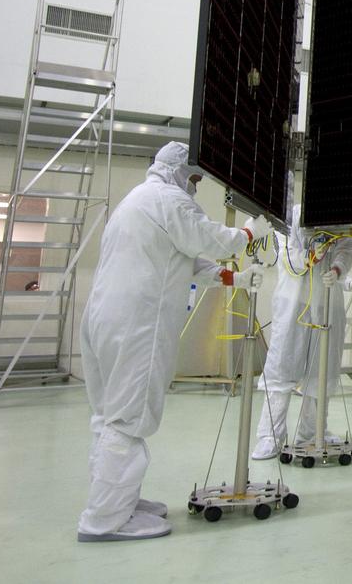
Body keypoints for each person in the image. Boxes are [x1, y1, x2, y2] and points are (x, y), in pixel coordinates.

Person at [77, 141, 271, 542]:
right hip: (137, 324)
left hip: (105, 319)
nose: (197, 185)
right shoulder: (169, 199)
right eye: (196, 177)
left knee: (110, 416)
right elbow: (209, 239)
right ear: (180, 171)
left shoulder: (141, 199)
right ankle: (105, 520)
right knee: (128, 419)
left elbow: (186, 257)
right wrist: (251, 231)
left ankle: (117, 501)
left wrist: (231, 277)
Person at [251, 203, 352, 459]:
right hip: (293, 305)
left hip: (327, 303)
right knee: (281, 368)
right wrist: (312, 257)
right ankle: (270, 436)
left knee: (322, 371)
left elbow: (347, 246)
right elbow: (289, 256)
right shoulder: (293, 217)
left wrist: (336, 269)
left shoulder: (340, 217)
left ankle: (311, 433)